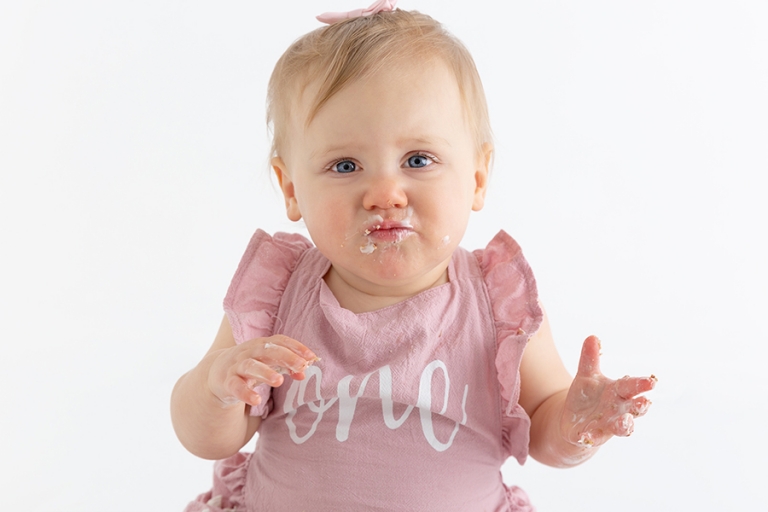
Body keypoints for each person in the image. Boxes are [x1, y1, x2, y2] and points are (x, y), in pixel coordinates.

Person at [171, 2, 656, 510]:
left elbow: (544, 429)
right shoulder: (276, 296)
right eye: (345, 165)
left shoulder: (498, 307)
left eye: (418, 160)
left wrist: (574, 424)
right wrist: (216, 389)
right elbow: (204, 437)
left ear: (477, 178)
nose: (385, 193)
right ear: (291, 188)